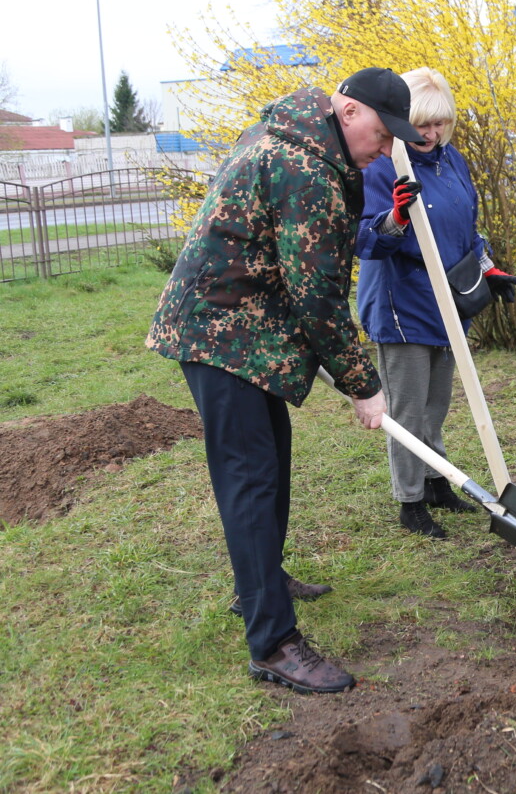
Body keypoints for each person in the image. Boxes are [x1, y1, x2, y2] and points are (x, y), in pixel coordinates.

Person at [146, 67, 420, 694]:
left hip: (246, 330)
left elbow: (310, 247)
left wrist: (382, 228)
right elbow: (317, 294)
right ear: (348, 112)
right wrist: (363, 385)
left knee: (272, 459)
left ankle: (261, 578)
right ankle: (272, 640)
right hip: (221, 332)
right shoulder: (307, 168)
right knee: (250, 477)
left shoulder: (296, 137)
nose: (382, 150)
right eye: (380, 136)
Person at [355, 67, 516, 539]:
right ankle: (410, 503)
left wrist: (489, 269)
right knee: (407, 411)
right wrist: (396, 215)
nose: (430, 134)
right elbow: (366, 240)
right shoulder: (383, 164)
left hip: (449, 301)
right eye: (422, 124)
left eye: (439, 124)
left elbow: (467, 229)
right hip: (401, 303)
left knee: (436, 404)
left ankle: (435, 481)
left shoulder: (454, 162)